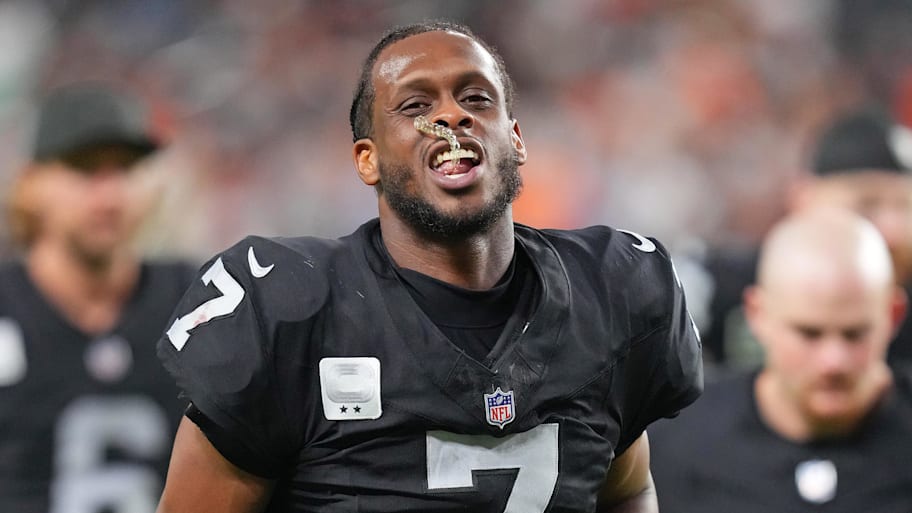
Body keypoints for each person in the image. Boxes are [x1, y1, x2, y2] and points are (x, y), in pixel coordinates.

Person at [154, 21, 703, 513]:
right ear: (368, 159)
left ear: (515, 140)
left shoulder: (610, 289)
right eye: (415, 106)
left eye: (476, 98)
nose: (451, 116)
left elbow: (625, 490)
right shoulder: (288, 308)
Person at [0, 83, 195, 513]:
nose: (110, 196)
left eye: (125, 169)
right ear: (31, 183)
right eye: (85, 170)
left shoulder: (197, 305)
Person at [649, 208, 912, 513]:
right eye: (809, 333)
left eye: (855, 334)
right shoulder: (673, 444)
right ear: (757, 314)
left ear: (893, 315)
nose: (833, 361)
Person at [699, 106, 912, 369]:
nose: (893, 231)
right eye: (866, 204)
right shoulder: (716, 288)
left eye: (906, 207)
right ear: (803, 197)